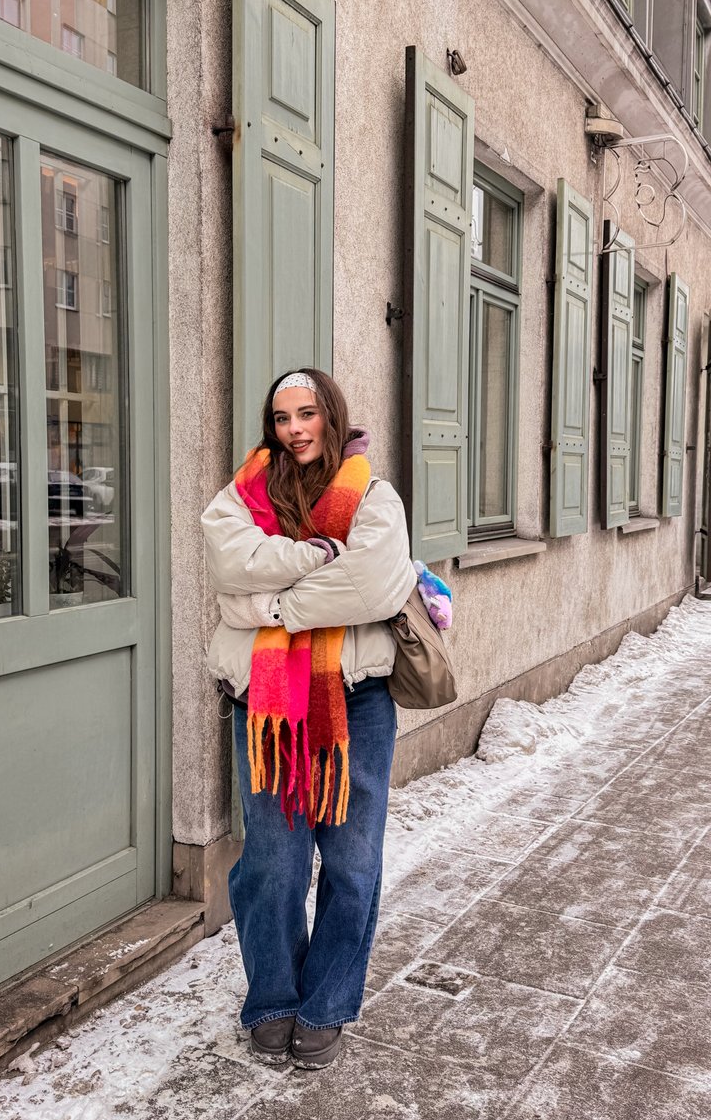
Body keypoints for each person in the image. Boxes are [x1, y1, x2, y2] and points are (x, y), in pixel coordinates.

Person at [201, 367, 417, 1070]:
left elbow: (376, 581)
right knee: (272, 866)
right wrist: (320, 558)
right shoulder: (242, 497)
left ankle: (325, 1005)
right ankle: (273, 998)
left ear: (331, 414)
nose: (294, 428)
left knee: (352, 865)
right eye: (281, 416)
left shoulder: (375, 495)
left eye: (306, 413)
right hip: (266, 705)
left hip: (355, 699)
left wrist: (274, 607)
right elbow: (229, 562)